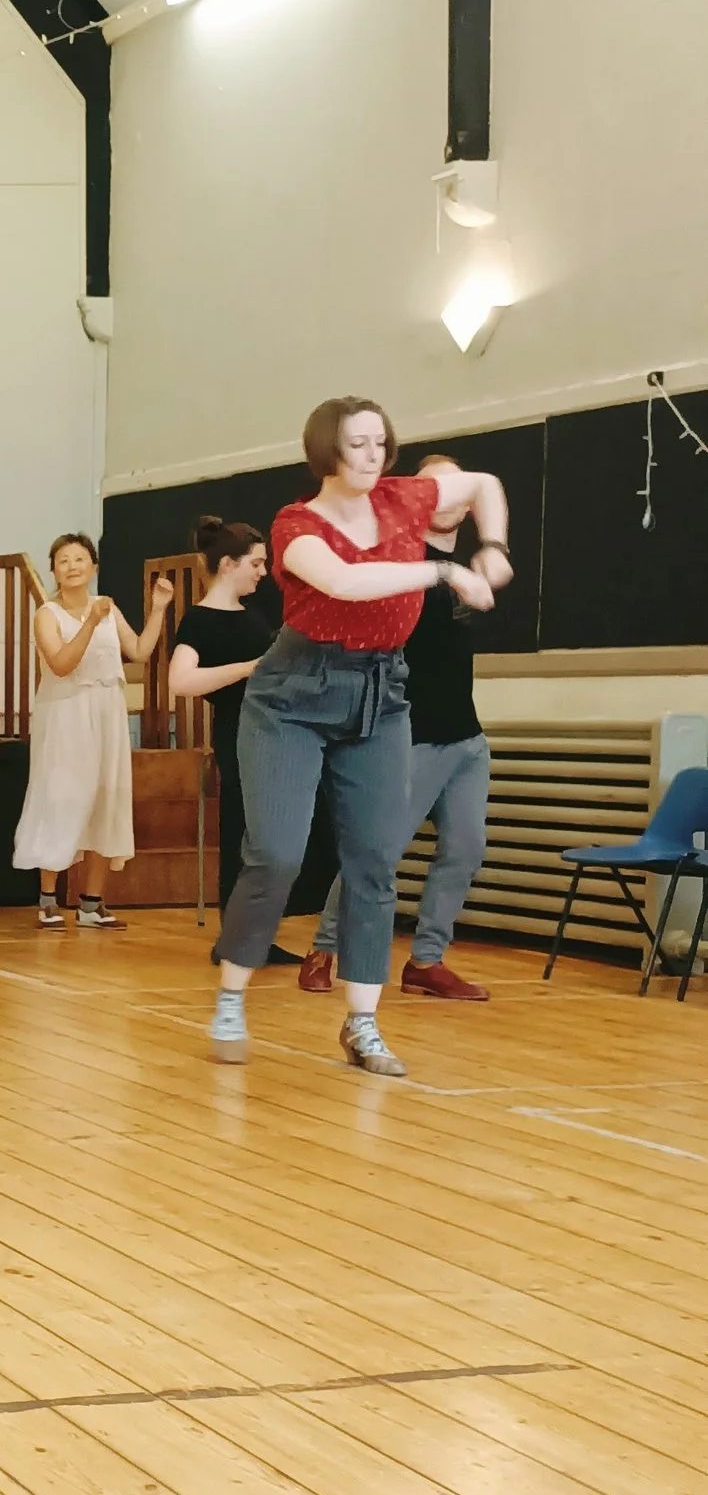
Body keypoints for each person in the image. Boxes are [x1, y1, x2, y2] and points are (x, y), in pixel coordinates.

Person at [208, 398, 509, 1073]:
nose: (373, 456)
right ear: (327, 453)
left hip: (382, 695)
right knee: (278, 855)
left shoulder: (406, 497)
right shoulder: (296, 523)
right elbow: (345, 582)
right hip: (293, 695)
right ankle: (232, 994)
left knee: (375, 856)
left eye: (380, 442)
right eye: (357, 444)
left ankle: (363, 1023)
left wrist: (491, 546)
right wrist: (444, 569)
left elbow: (484, 484)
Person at [302, 452, 497, 1004]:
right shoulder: (401, 566)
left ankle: (427, 961)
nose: (450, 497)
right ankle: (326, 946)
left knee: (464, 849)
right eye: (436, 487)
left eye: (459, 488)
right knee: (378, 851)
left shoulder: (468, 570)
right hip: (411, 739)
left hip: (466, 739)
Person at [13, 533, 171, 930]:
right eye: (63, 560)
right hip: (66, 712)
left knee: (107, 794)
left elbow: (138, 651)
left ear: (94, 566)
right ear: (54, 571)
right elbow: (62, 664)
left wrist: (159, 609)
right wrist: (90, 623)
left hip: (107, 710)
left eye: (79, 559)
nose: (72, 566)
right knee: (61, 795)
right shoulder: (47, 614)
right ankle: (48, 899)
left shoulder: (108, 607)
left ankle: (92, 903)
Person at [164, 516, 274, 931]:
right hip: (237, 731)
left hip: (270, 732)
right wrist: (248, 668)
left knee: (264, 833)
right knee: (242, 831)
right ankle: (237, 932)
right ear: (228, 564)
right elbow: (181, 680)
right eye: (256, 564)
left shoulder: (254, 615)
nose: (263, 572)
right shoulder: (199, 620)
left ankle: (257, 929)